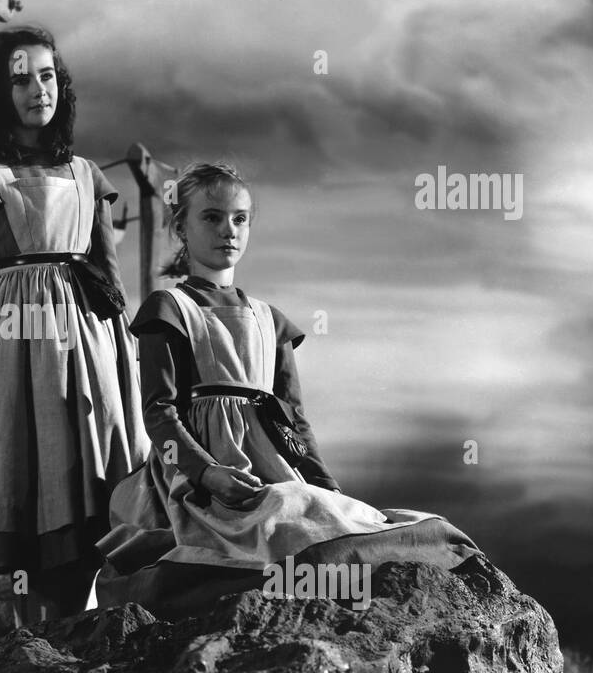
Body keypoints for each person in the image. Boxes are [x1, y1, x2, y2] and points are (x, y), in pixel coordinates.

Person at [93, 161, 484, 619]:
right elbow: (159, 414)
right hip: (200, 481)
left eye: (240, 219)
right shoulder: (170, 307)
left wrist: (328, 489)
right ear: (181, 226)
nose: (229, 231)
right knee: (275, 519)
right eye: (212, 217)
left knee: (321, 514)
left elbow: (293, 420)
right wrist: (207, 474)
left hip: (273, 465)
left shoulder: (268, 318)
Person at [0, 25, 150, 624]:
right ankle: (36, 633)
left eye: (47, 74)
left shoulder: (88, 175)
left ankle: (79, 626)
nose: (39, 89)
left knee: (97, 475)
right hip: (15, 339)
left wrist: (125, 369)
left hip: (89, 342)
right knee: (33, 477)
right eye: (20, 78)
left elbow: (111, 284)